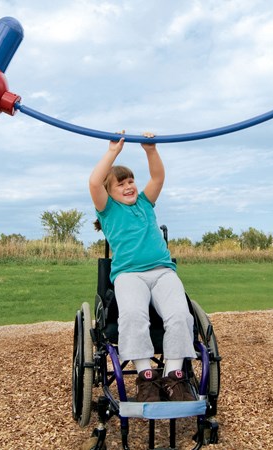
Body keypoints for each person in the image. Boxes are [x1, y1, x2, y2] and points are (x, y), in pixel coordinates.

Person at [89, 131, 196, 402]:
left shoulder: (146, 203)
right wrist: (113, 151)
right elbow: (93, 182)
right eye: (121, 184)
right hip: (129, 275)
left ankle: (173, 377)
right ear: (109, 193)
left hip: (162, 271)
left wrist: (150, 150)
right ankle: (146, 377)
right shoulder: (109, 210)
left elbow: (158, 177)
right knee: (134, 317)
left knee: (181, 316)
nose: (129, 186)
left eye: (131, 181)